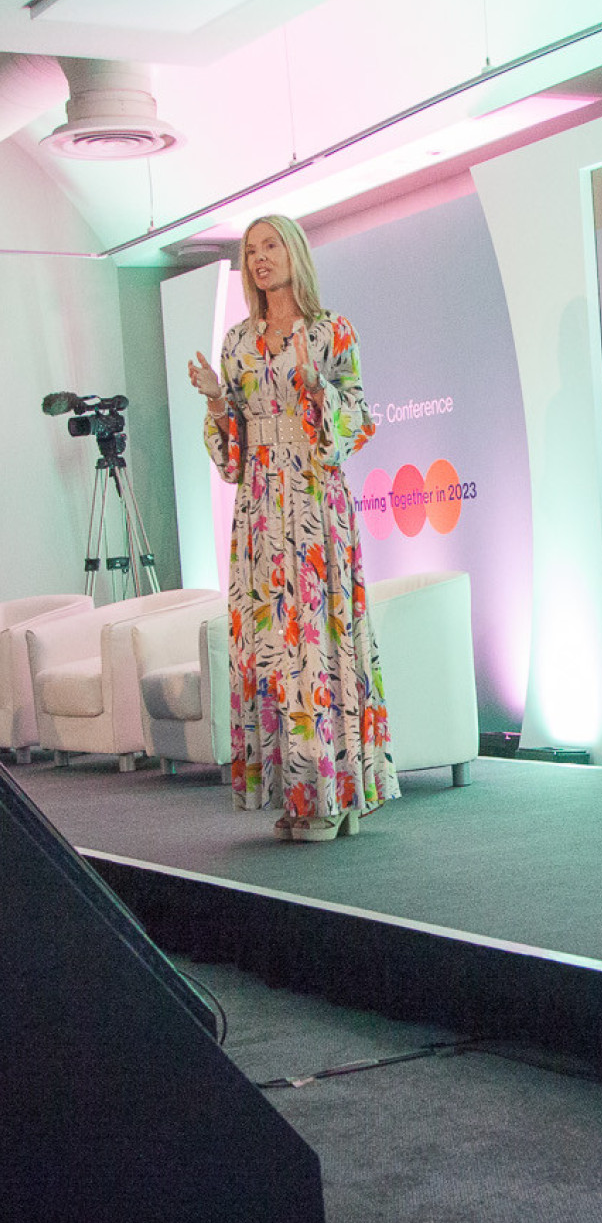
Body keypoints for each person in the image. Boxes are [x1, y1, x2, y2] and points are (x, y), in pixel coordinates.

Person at [186, 214, 399, 841]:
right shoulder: (237, 342)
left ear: (294, 252)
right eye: (250, 250)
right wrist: (216, 399)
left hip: (314, 502)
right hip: (259, 509)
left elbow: (358, 420)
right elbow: (231, 456)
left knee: (319, 643)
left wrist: (317, 388)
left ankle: (334, 797)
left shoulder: (332, 331)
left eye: (270, 245)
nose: (259, 258)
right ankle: (303, 796)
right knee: (274, 651)